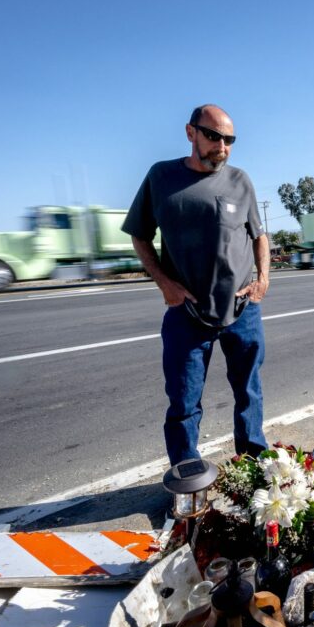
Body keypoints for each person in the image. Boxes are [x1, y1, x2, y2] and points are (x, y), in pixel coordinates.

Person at [122, 104, 270, 465]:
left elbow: (259, 236)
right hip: (187, 313)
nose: (222, 146)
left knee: (249, 392)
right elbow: (139, 236)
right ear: (191, 133)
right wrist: (164, 284)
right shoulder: (161, 178)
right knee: (184, 402)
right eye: (214, 136)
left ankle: (252, 468)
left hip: (241, 309)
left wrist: (263, 279)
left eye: (229, 139)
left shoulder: (240, 181)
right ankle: (186, 479)